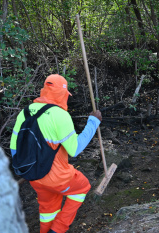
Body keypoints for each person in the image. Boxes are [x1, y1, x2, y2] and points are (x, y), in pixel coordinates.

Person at [10, 74, 101, 233]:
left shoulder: (24, 112)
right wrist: (93, 122)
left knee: (48, 210)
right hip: (57, 177)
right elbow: (75, 149)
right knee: (82, 187)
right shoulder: (60, 115)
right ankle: (58, 229)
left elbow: (14, 149)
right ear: (63, 94)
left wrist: (33, 167)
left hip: (34, 176)